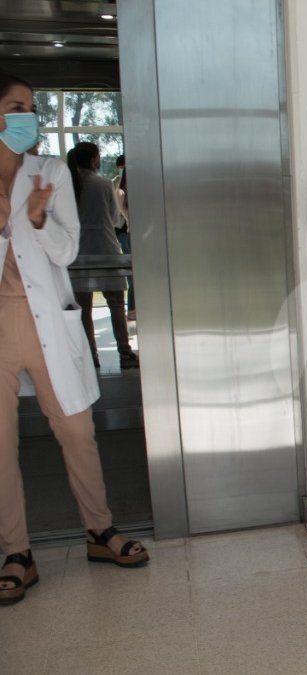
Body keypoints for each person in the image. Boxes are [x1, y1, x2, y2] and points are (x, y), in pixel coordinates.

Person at [1, 71, 148, 607]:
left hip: (46, 319)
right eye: (18, 106)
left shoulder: (49, 171)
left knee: (77, 431)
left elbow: (65, 252)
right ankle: (17, 553)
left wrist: (37, 220)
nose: (29, 116)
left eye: (33, 106)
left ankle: (100, 531)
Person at [66, 142, 137, 369]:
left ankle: (91, 357)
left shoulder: (68, 185)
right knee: (116, 303)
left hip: (77, 251)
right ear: (95, 159)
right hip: (105, 248)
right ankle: (125, 352)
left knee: (83, 307)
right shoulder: (104, 184)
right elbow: (116, 219)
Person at [112, 154, 134, 321]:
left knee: (133, 274)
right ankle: (133, 308)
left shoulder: (120, 191)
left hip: (128, 234)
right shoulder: (120, 190)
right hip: (130, 234)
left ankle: (133, 308)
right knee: (135, 274)